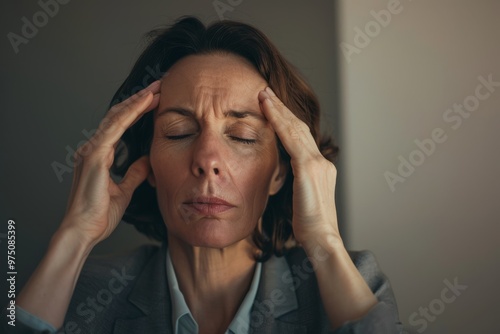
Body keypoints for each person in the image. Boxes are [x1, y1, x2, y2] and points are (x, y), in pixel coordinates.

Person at [11, 16, 402, 333]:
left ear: (282, 173)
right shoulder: (82, 290)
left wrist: (324, 242)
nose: (207, 159)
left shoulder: (348, 287)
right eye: (179, 132)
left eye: (243, 136)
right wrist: (74, 236)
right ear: (147, 165)